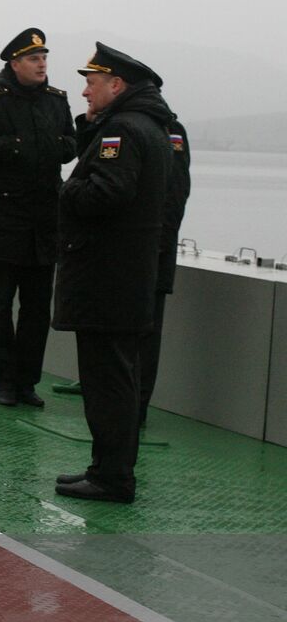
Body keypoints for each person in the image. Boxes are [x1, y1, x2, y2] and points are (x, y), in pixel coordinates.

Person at [52, 43, 172, 504]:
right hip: (123, 275)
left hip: (108, 277)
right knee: (113, 379)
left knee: (110, 383)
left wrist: (65, 190)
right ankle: (105, 467)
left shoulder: (123, 130)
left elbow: (106, 192)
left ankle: (114, 477)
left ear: (116, 85)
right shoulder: (148, 126)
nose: (85, 91)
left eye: (92, 82)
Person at [0, 29, 78, 408]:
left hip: (45, 221)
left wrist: (55, 147)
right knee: (1, 306)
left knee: (38, 310)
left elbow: (71, 145)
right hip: (6, 220)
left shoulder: (57, 101)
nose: (42, 64)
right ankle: (3, 382)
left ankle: (28, 382)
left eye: (44, 58)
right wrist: (12, 147)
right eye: (34, 59)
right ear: (15, 63)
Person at [140, 105, 191, 428]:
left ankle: (137, 409)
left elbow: (175, 194)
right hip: (125, 259)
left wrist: (153, 248)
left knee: (146, 335)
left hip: (152, 256)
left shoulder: (170, 131)